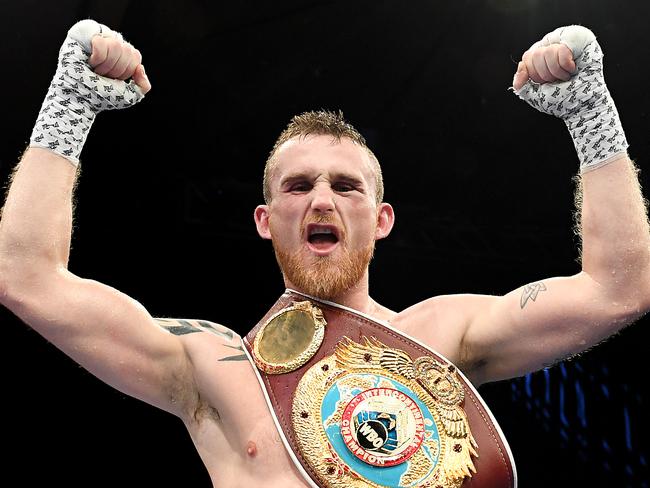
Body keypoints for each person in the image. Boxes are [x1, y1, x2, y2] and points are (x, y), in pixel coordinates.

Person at [0, 19, 648, 488]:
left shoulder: (443, 335)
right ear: (264, 219)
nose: (321, 201)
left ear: (382, 218)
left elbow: (617, 289)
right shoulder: (213, 366)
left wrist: (589, 115)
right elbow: (26, 279)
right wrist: (69, 108)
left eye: (345, 186)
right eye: (298, 185)